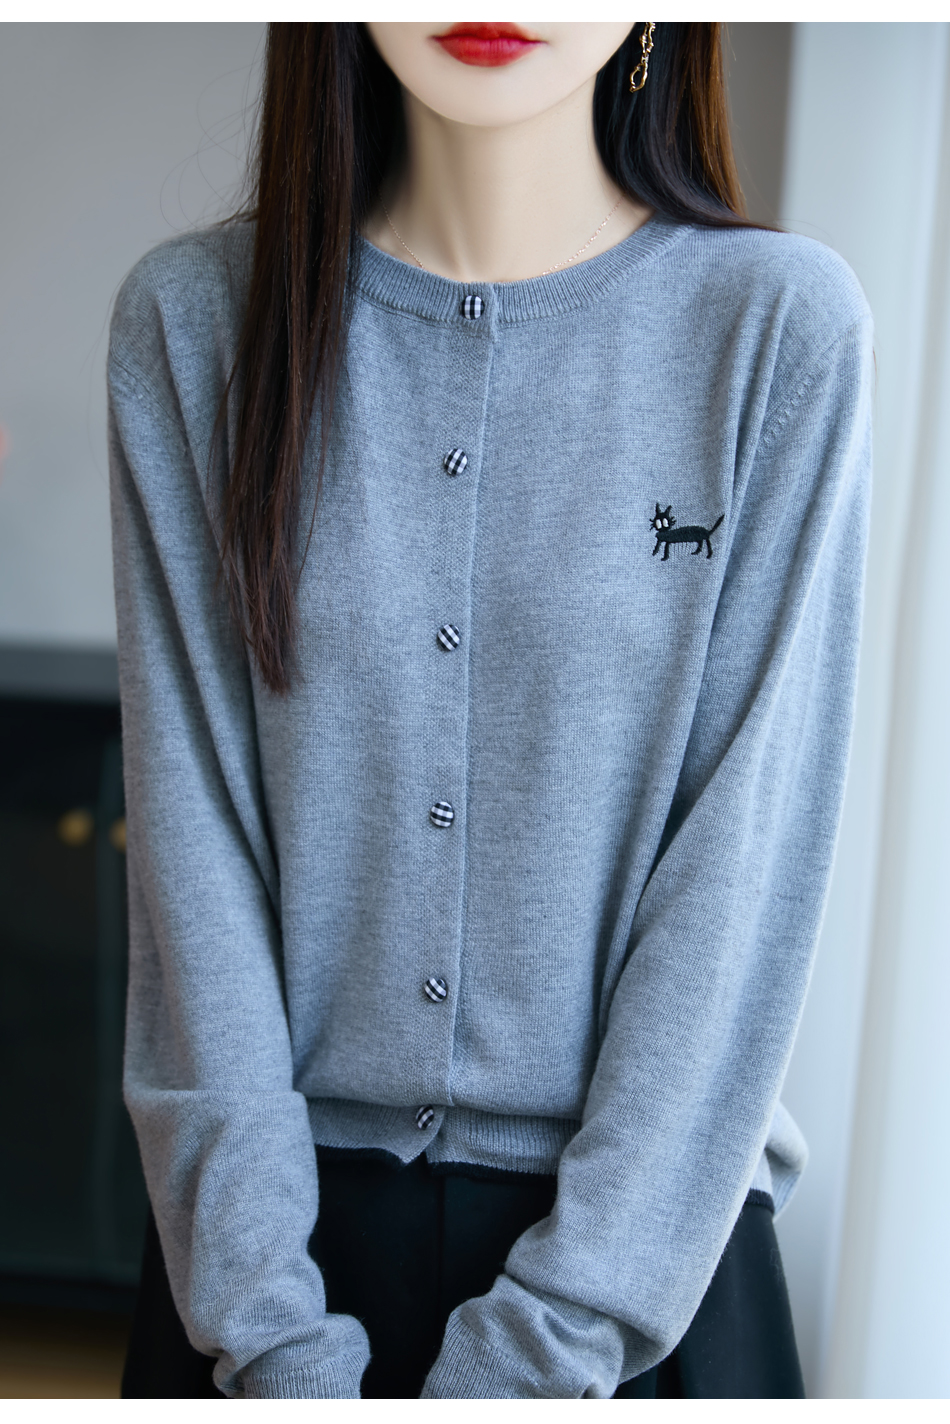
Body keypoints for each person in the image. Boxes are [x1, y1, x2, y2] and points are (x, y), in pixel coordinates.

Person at [110, 22, 872, 1399]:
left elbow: (743, 882)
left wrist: (544, 1351)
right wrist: (273, 1341)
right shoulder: (195, 324)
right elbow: (190, 853)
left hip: (646, 1275)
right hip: (263, 1273)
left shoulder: (775, 331)